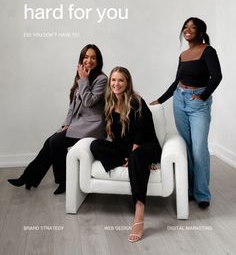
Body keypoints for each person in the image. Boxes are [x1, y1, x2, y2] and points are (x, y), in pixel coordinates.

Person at [8, 44, 107, 195]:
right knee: (51, 142)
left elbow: (88, 101)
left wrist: (84, 80)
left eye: (93, 57)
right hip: (78, 125)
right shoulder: (81, 77)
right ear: (81, 60)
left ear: (98, 60)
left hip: (92, 127)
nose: (89, 60)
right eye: (86, 57)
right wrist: (67, 124)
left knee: (55, 142)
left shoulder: (101, 79)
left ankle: (58, 181)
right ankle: (29, 178)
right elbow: (72, 105)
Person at [151, 17, 222, 209]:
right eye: (185, 27)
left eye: (193, 27)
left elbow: (217, 76)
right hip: (179, 100)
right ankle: (189, 190)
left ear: (200, 32)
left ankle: (202, 194)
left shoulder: (208, 51)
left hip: (198, 101)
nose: (187, 30)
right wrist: (160, 99)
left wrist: (203, 96)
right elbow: (177, 81)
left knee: (199, 148)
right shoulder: (183, 55)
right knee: (187, 147)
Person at [90, 67, 162, 242]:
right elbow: (112, 137)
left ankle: (139, 209)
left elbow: (140, 133)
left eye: (121, 80)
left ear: (127, 82)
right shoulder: (108, 103)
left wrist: (133, 154)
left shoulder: (136, 102)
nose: (116, 84)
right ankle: (127, 161)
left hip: (146, 146)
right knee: (95, 145)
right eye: (113, 80)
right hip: (124, 150)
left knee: (136, 156)